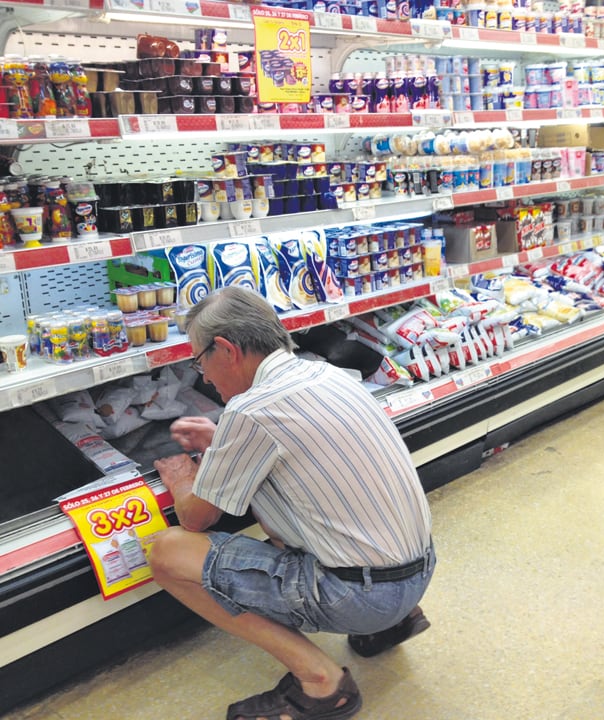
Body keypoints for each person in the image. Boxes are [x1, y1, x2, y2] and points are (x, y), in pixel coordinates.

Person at [149, 286, 435, 720]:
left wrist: (182, 478)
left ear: (225, 349)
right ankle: (393, 622)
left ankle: (321, 683)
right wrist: (223, 442)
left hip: (362, 595)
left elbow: (195, 517)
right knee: (287, 496)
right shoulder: (328, 374)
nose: (204, 377)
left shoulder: (251, 411)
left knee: (169, 552)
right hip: (419, 570)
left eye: (200, 361)